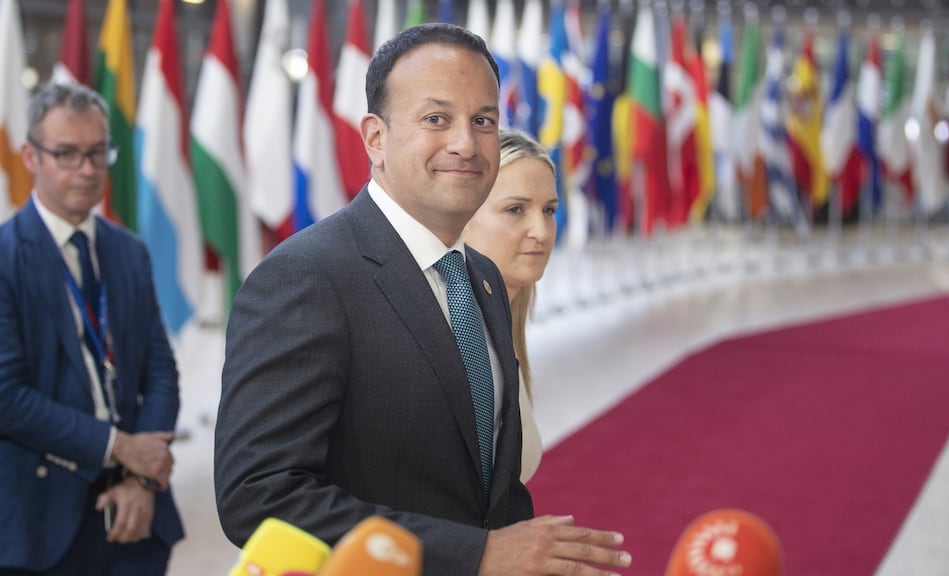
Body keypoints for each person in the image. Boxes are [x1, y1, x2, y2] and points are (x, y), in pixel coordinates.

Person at [215, 23, 631, 576]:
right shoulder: (306, 277)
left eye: (483, 121)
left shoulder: (480, 277)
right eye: (436, 119)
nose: (466, 143)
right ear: (375, 138)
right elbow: (259, 494)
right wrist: (476, 555)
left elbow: (489, 490)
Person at [0, 82, 183, 574]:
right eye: (67, 154)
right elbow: (6, 396)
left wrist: (143, 478)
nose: (87, 170)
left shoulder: (129, 251)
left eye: (98, 153)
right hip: (38, 520)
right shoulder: (5, 257)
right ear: (30, 157)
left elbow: (160, 371)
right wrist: (120, 447)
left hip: (136, 516)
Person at [463, 129, 558, 484]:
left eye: (549, 210)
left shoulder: (502, 323)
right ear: (462, 217)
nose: (542, 232)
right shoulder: (460, 339)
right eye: (515, 209)